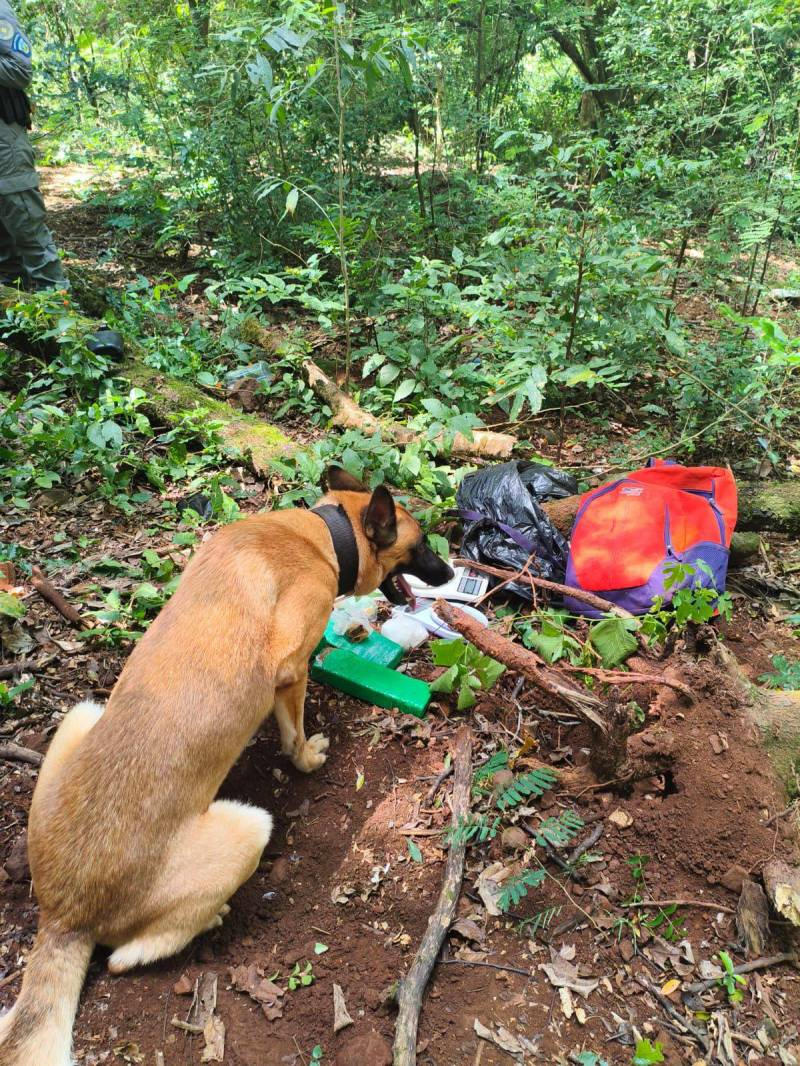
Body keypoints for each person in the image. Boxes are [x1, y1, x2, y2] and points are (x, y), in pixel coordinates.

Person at [0, 0, 68, 290]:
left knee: (26, 225)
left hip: (5, 142)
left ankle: (57, 307)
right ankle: (14, 305)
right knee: (4, 248)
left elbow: (20, 69)